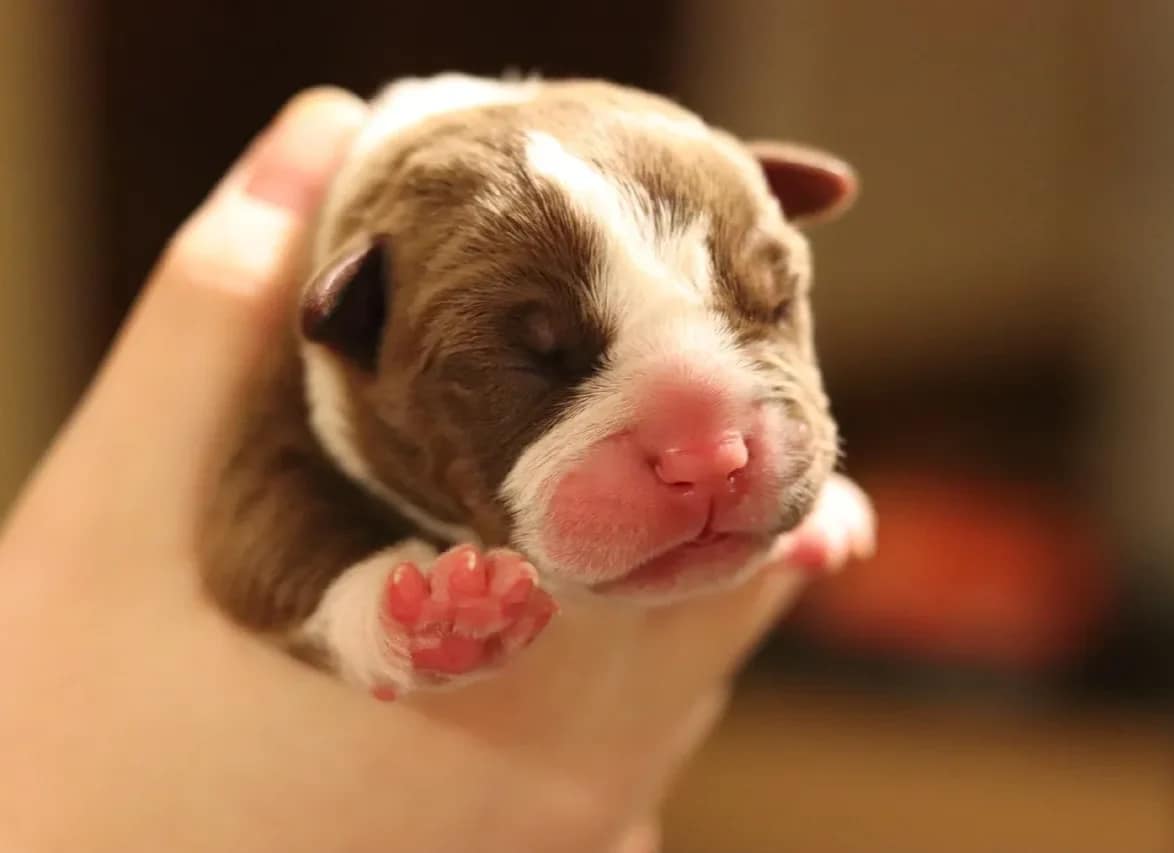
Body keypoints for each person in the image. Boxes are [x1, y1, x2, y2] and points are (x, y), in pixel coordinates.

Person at [0, 88, 869, 853]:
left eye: (768, 304)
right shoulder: (291, 380)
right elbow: (260, 522)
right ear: (357, 323)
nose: (711, 456)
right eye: (539, 366)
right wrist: (376, 611)